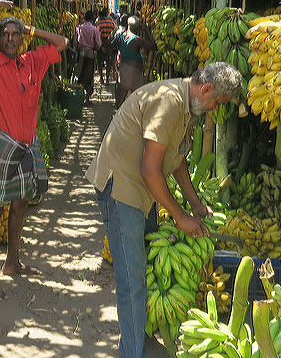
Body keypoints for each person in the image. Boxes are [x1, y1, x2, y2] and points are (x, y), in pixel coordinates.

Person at [86, 63, 243, 358]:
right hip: (121, 186)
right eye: (217, 102)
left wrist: (194, 203)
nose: (214, 109)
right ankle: (132, 352)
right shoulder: (170, 101)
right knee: (132, 279)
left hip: (142, 189)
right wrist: (179, 216)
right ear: (207, 89)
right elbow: (149, 168)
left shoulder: (188, 107)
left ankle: (139, 337)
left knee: (145, 270)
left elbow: (177, 159)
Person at [0, 0, 69, 300]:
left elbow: (62, 42)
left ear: (22, 39)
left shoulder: (32, 61)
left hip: (27, 145)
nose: (10, 39)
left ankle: (12, 262)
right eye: (5, 34)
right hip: (1, 145)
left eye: (15, 34)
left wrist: (30, 27)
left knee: (21, 204)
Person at [115, 16, 156, 108]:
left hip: (123, 67)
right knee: (137, 93)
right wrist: (146, 31)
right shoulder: (136, 39)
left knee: (123, 92)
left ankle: (119, 111)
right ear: (137, 28)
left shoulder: (122, 36)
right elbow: (153, 47)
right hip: (134, 70)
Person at [74, 9, 102, 103]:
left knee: (80, 74)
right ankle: (87, 98)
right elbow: (98, 44)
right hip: (90, 54)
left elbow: (75, 42)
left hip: (81, 53)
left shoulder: (79, 28)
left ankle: (79, 96)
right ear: (93, 18)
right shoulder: (94, 29)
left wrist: (77, 48)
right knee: (89, 75)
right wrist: (95, 47)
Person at [95, 9, 117, 85]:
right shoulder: (112, 23)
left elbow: (97, 35)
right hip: (109, 45)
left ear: (100, 16)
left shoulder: (99, 24)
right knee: (108, 62)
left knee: (99, 62)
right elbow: (115, 32)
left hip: (101, 44)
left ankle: (101, 78)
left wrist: (101, 44)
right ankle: (107, 78)